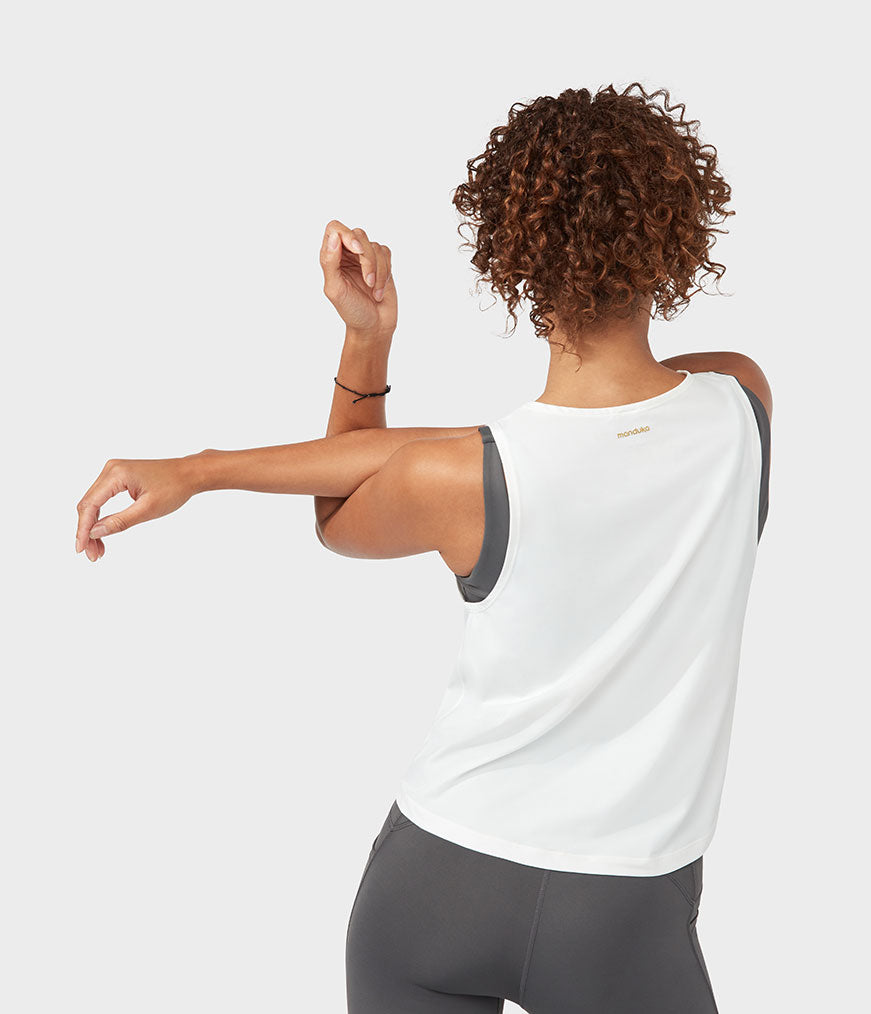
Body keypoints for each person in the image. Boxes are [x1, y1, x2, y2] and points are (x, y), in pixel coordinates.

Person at [75, 83, 772, 1013]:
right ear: (676, 234)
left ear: (514, 253)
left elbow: (343, 508)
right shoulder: (740, 404)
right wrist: (204, 469)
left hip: (434, 886)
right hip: (621, 912)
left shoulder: (464, 476)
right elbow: (574, 438)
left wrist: (354, 349)